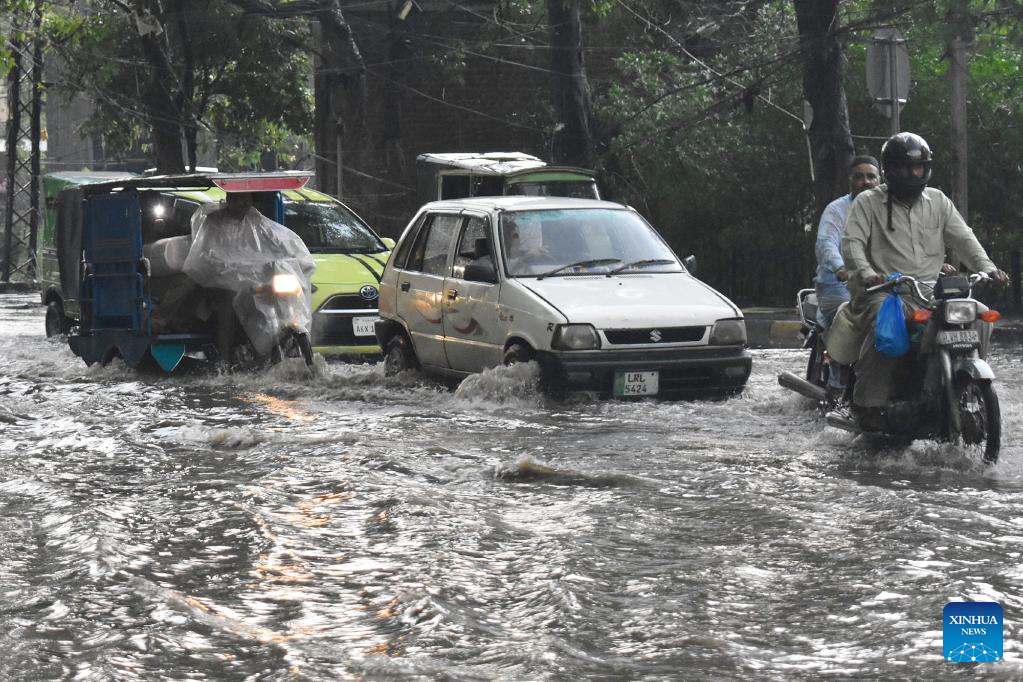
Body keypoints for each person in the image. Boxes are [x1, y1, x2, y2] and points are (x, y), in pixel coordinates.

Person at [825, 132, 1009, 430]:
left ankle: (966, 382)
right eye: (904, 168)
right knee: (887, 327)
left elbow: (964, 238)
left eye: (919, 168)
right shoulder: (868, 203)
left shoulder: (938, 201)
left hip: (930, 290)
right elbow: (852, 244)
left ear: (927, 168)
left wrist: (988, 268)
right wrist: (868, 272)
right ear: (889, 170)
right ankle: (867, 404)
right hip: (884, 290)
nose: (913, 174)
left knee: (980, 314)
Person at [814, 155, 880, 328]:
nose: (866, 181)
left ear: (880, 180)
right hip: (840, 285)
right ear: (850, 180)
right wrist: (841, 268)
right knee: (849, 322)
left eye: (871, 176)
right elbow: (826, 243)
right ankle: (839, 355)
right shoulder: (836, 210)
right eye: (859, 177)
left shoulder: (889, 209)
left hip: (881, 283)